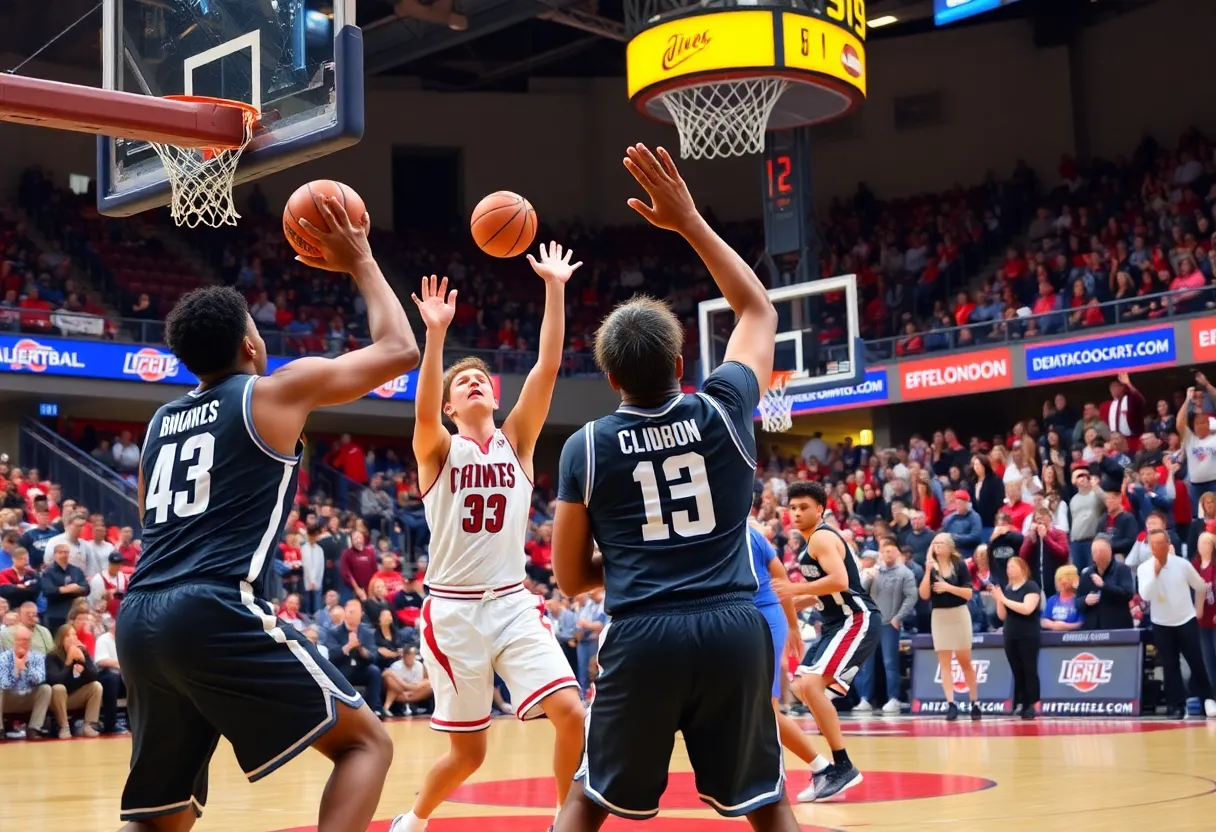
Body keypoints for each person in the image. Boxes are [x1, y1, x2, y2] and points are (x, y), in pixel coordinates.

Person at [114, 196, 413, 831]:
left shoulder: (158, 424)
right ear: (252, 343)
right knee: (367, 745)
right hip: (212, 605)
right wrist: (360, 259)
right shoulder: (274, 391)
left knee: (158, 814)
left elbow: (151, 521)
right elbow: (398, 349)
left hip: (139, 617)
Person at [550, 145, 797, 831]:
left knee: (588, 798)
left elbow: (570, 577)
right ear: (684, 364)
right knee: (768, 802)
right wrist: (689, 221)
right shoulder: (724, 407)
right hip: (733, 629)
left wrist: (637, 556)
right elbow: (757, 310)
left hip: (644, 634)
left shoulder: (587, 447)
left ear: (611, 379)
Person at [392, 242, 587, 832]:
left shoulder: (518, 441)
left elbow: (546, 368)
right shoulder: (437, 449)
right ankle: (414, 818)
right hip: (451, 614)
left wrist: (555, 287)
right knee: (469, 753)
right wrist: (434, 337)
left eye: (482, 379)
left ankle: (563, 821)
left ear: (495, 396)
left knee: (572, 713)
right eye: (463, 382)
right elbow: (422, 411)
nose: (474, 382)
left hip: (512, 602)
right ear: (452, 406)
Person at [778, 481, 880, 802]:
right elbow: (827, 591)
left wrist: (793, 590)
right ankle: (838, 765)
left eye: (804, 507)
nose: (796, 513)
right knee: (803, 687)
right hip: (836, 622)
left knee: (810, 686)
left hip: (856, 618)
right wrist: (793, 606)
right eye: (792, 508)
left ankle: (842, 765)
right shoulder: (809, 543)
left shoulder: (821, 536)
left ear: (820, 509)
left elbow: (841, 581)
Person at [748, 511, 831, 789]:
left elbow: (781, 580)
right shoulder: (728, 533)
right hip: (741, 621)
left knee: (766, 707)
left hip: (765, 617)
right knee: (751, 706)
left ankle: (815, 767)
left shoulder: (751, 534)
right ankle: (817, 767)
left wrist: (793, 626)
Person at [1136, 529, 1216, 718]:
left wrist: (1199, 609)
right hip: (1161, 623)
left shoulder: (1182, 564)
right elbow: (1145, 595)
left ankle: (1208, 699)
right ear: (1149, 546)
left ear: (1168, 544)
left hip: (1185, 620)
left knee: (1196, 662)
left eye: (1160, 543)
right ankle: (1176, 706)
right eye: (1153, 544)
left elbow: (1200, 585)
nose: (1157, 548)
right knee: (1170, 665)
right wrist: (1155, 573)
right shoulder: (1144, 568)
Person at [920, 533, 982, 721]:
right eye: (935, 543)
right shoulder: (931, 569)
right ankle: (951, 704)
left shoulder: (960, 565)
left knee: (965, 661)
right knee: (944, 663)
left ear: (949, 547)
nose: (937, 546)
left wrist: (948, 587)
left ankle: (974, 702)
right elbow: (924, 595)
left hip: (959, 614)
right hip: (939, 616)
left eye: (940, 543)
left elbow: (968, 593)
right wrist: (926, 571)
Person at [857, 537, 917, 715]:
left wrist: (898, 617)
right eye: (883, 552)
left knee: (890, 662)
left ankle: (894, 698)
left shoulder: (905, 573)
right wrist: (867, 577)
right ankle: (865, 699)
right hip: (872, 623)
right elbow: (859, 592)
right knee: (867, 663)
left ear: (897, 553)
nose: (886, 554)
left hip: (890, 623)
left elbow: (911, 597)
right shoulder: (874, 571)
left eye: (890, 551)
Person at [991, 556, 1042, 719]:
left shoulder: (1031, 586)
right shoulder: (1007, 589)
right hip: (1010, 634)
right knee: (1017, 670)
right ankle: (1023, 702)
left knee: (1029, 669)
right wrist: (999, 601)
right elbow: (1002, 616)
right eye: (1007, 567)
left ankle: (1033, 703)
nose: (1009, 569)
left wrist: (1003, 599)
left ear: (1022, 568)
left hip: (1027, 634)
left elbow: (1027, 608)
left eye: (1012, 566)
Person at [46, 623, 102, 738]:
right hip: (56, 701)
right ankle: (64, 727)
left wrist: (84, 660)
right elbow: (54, 680)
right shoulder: (52, 657)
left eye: (74, 635)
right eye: (68, 636)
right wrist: (68, 662)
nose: (73, 638)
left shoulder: (82, 652)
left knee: (96, 686)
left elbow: (94, 676)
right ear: (61, 640)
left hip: (75, 697)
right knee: (58, 688)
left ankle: (88, 726)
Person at [0, 623, 54, 739]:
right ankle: (0, 730)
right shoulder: (4, 658)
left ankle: (34, 728)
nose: (23, 643)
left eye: (26, 640)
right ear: (15, 640)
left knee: (46, 689)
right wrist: (16, 671)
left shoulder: (37, 657)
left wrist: (27, 667)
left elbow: (40, 679)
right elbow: (3, 684)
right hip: (9, 700)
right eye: (20, 640)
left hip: (28, 697)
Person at [1075, 535, 1135, 630]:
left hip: (1117, 626)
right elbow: (1077, 601)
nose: (1097, 554)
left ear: (1110, 551)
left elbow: (1128, 594)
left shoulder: (1123, 569)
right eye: (1095, 552)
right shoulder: (1087, 573)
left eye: (1101, 551)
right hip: (1093, 629)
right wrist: (1085, 600)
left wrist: (1104, 586)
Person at [1040, 564, 1083, 632]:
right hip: (1053, 638)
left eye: (1064, 580)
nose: (1061, 583)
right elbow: (1043, 621)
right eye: (1059, 580)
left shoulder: (1080, 599)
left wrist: (1065, 626)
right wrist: (1054, 625)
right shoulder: (1052, 600)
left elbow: (1082, 623)